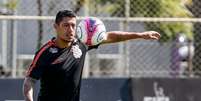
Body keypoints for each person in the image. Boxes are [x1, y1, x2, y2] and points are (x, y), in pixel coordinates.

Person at [23, 9, 160, 101]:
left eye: (73, 25)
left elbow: (110, 36)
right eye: (66, 25)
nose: (70, 30)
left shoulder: (82, 43)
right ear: (56, 26)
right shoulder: (45, 52)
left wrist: (140, 35)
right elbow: (29, 81)